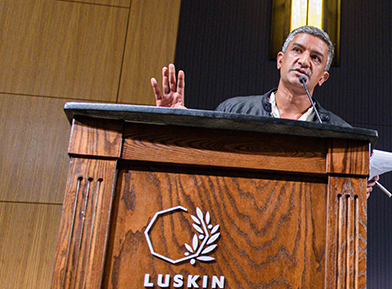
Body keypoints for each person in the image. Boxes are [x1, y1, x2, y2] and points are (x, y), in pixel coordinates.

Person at [152, 25, 377, 195]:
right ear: (281, 60)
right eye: (297, 50)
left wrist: (356, 189)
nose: (304, 61)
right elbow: (205, 167)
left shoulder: (340, 132)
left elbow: (344, 197)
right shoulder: (233, 110)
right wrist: (179, 124)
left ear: (322, 78)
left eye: (315, 58)